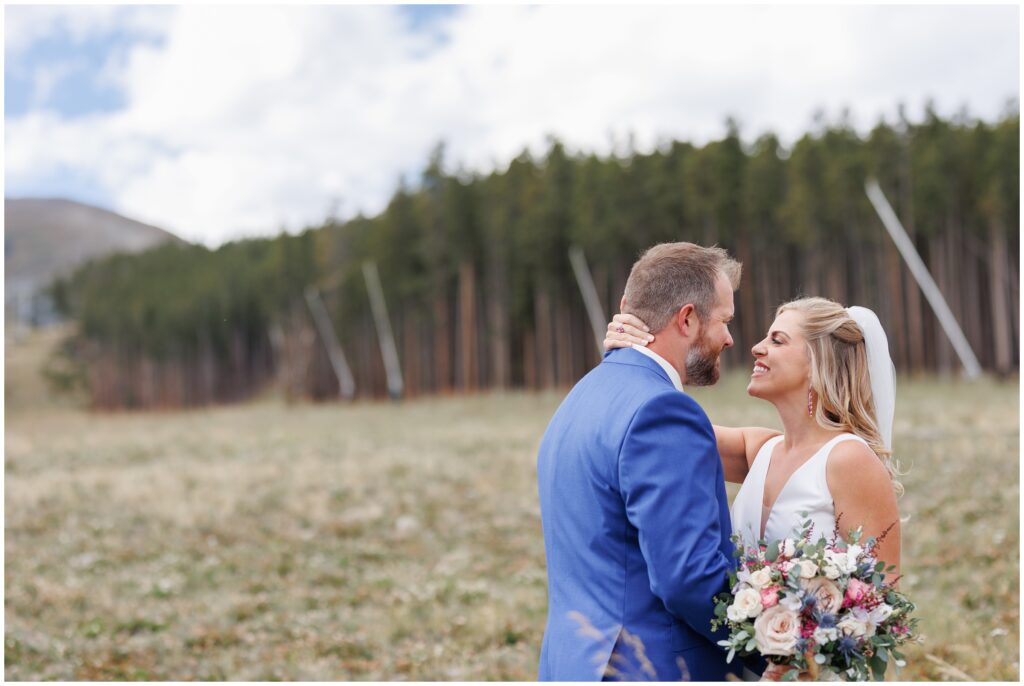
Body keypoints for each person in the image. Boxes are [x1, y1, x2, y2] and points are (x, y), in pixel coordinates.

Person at [605, 297, 902, 678]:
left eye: (777, 341)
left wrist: (807, 657)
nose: (757, 347)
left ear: (818, 362)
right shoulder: (761, 449)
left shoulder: (848, 459)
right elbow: (655, 423)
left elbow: (881, 594)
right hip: (749, 666)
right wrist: (633, 358)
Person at [536, 242, 744, 681]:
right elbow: (689, 578)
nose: (729, 337)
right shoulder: (663, 411)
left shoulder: (581, 396)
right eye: (724, 320)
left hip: (573, 665)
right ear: (687, 318)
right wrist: (773, 647)